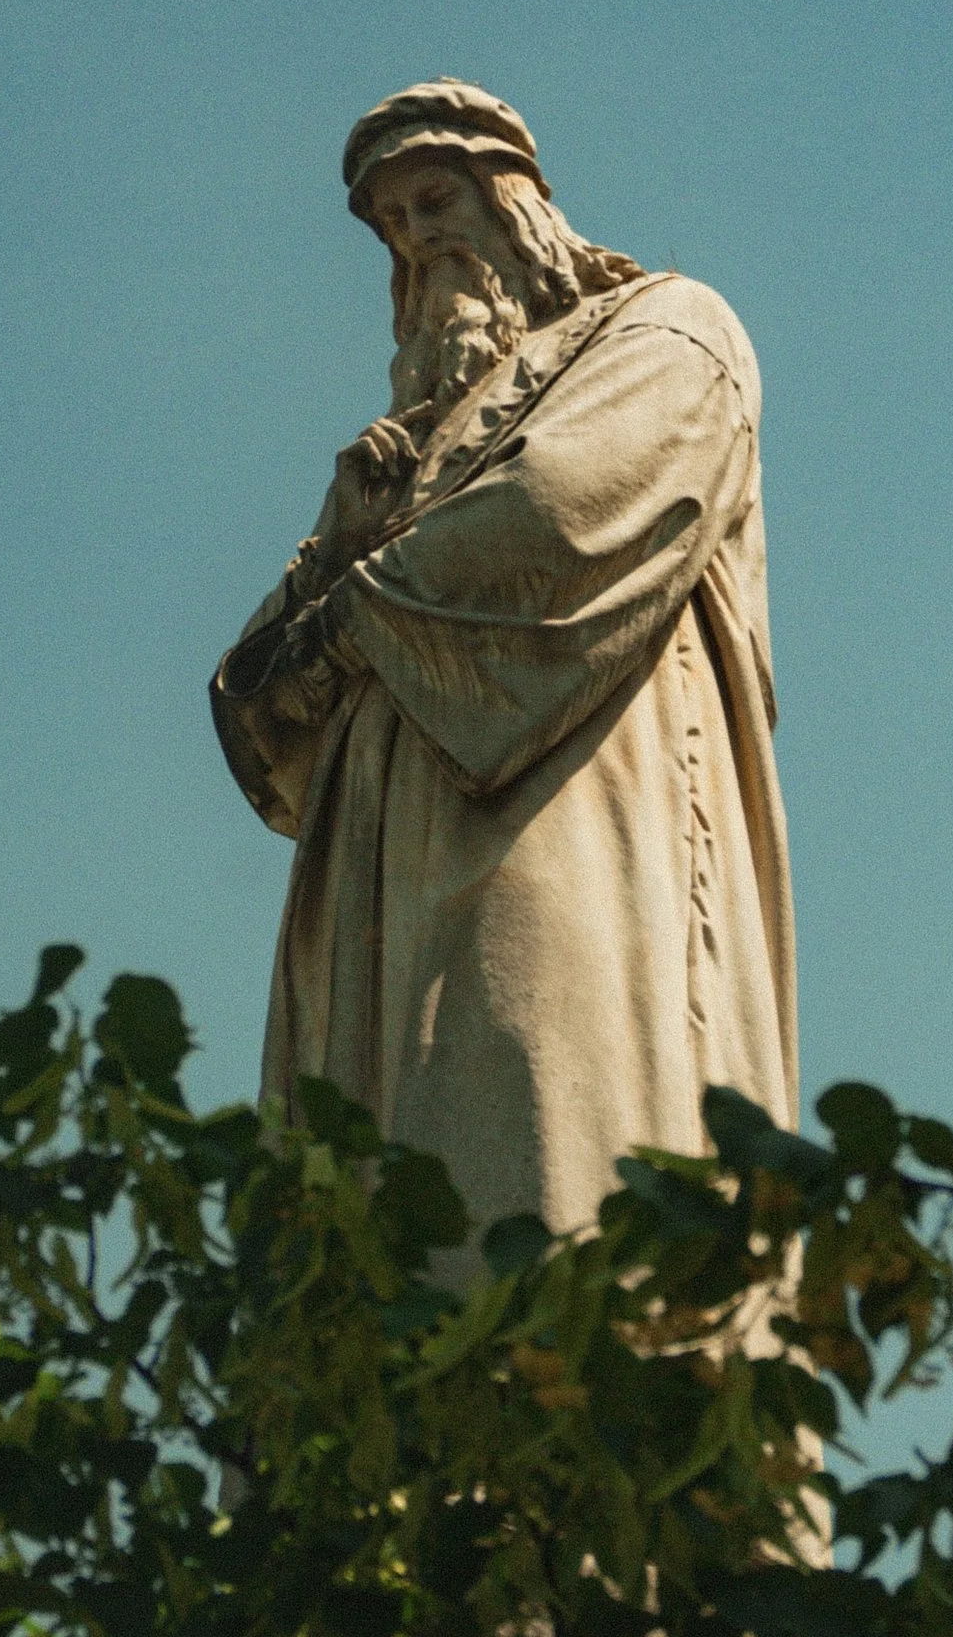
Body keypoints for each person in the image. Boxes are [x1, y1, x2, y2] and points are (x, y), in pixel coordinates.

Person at [212, 79, 797, 1239]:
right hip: (376, 856)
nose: (420, 238)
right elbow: (256, 710)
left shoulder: (669, 329)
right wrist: (342, 536)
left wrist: (352, 608)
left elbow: (555, 518)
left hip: (566, 804)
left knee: (547, 1123)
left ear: (516, 200)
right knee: (370, 1175)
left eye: (435, 199)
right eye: (392, 226)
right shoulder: (403, 448)